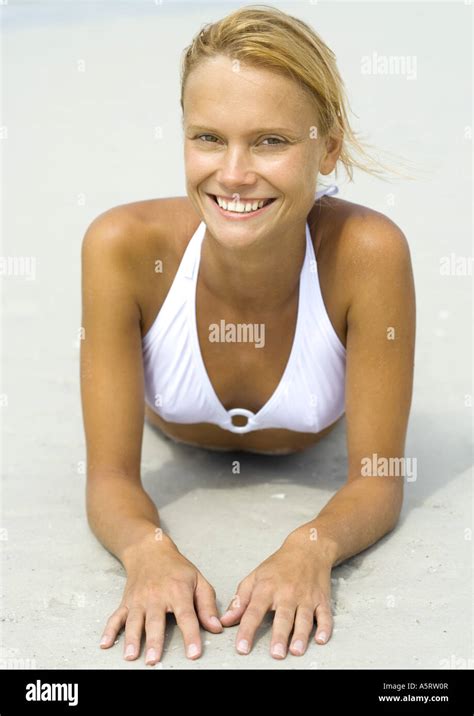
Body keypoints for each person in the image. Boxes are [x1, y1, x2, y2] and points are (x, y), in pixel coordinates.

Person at [80, 5, 416, 665]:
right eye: (208, 137)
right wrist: (148, 551)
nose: (233, 173)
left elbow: (378, 477)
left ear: (328, 146)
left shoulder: (368, 254)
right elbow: (110, 474)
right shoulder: (120, 248)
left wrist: (310, 547)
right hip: (171, 435)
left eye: (271, 141)